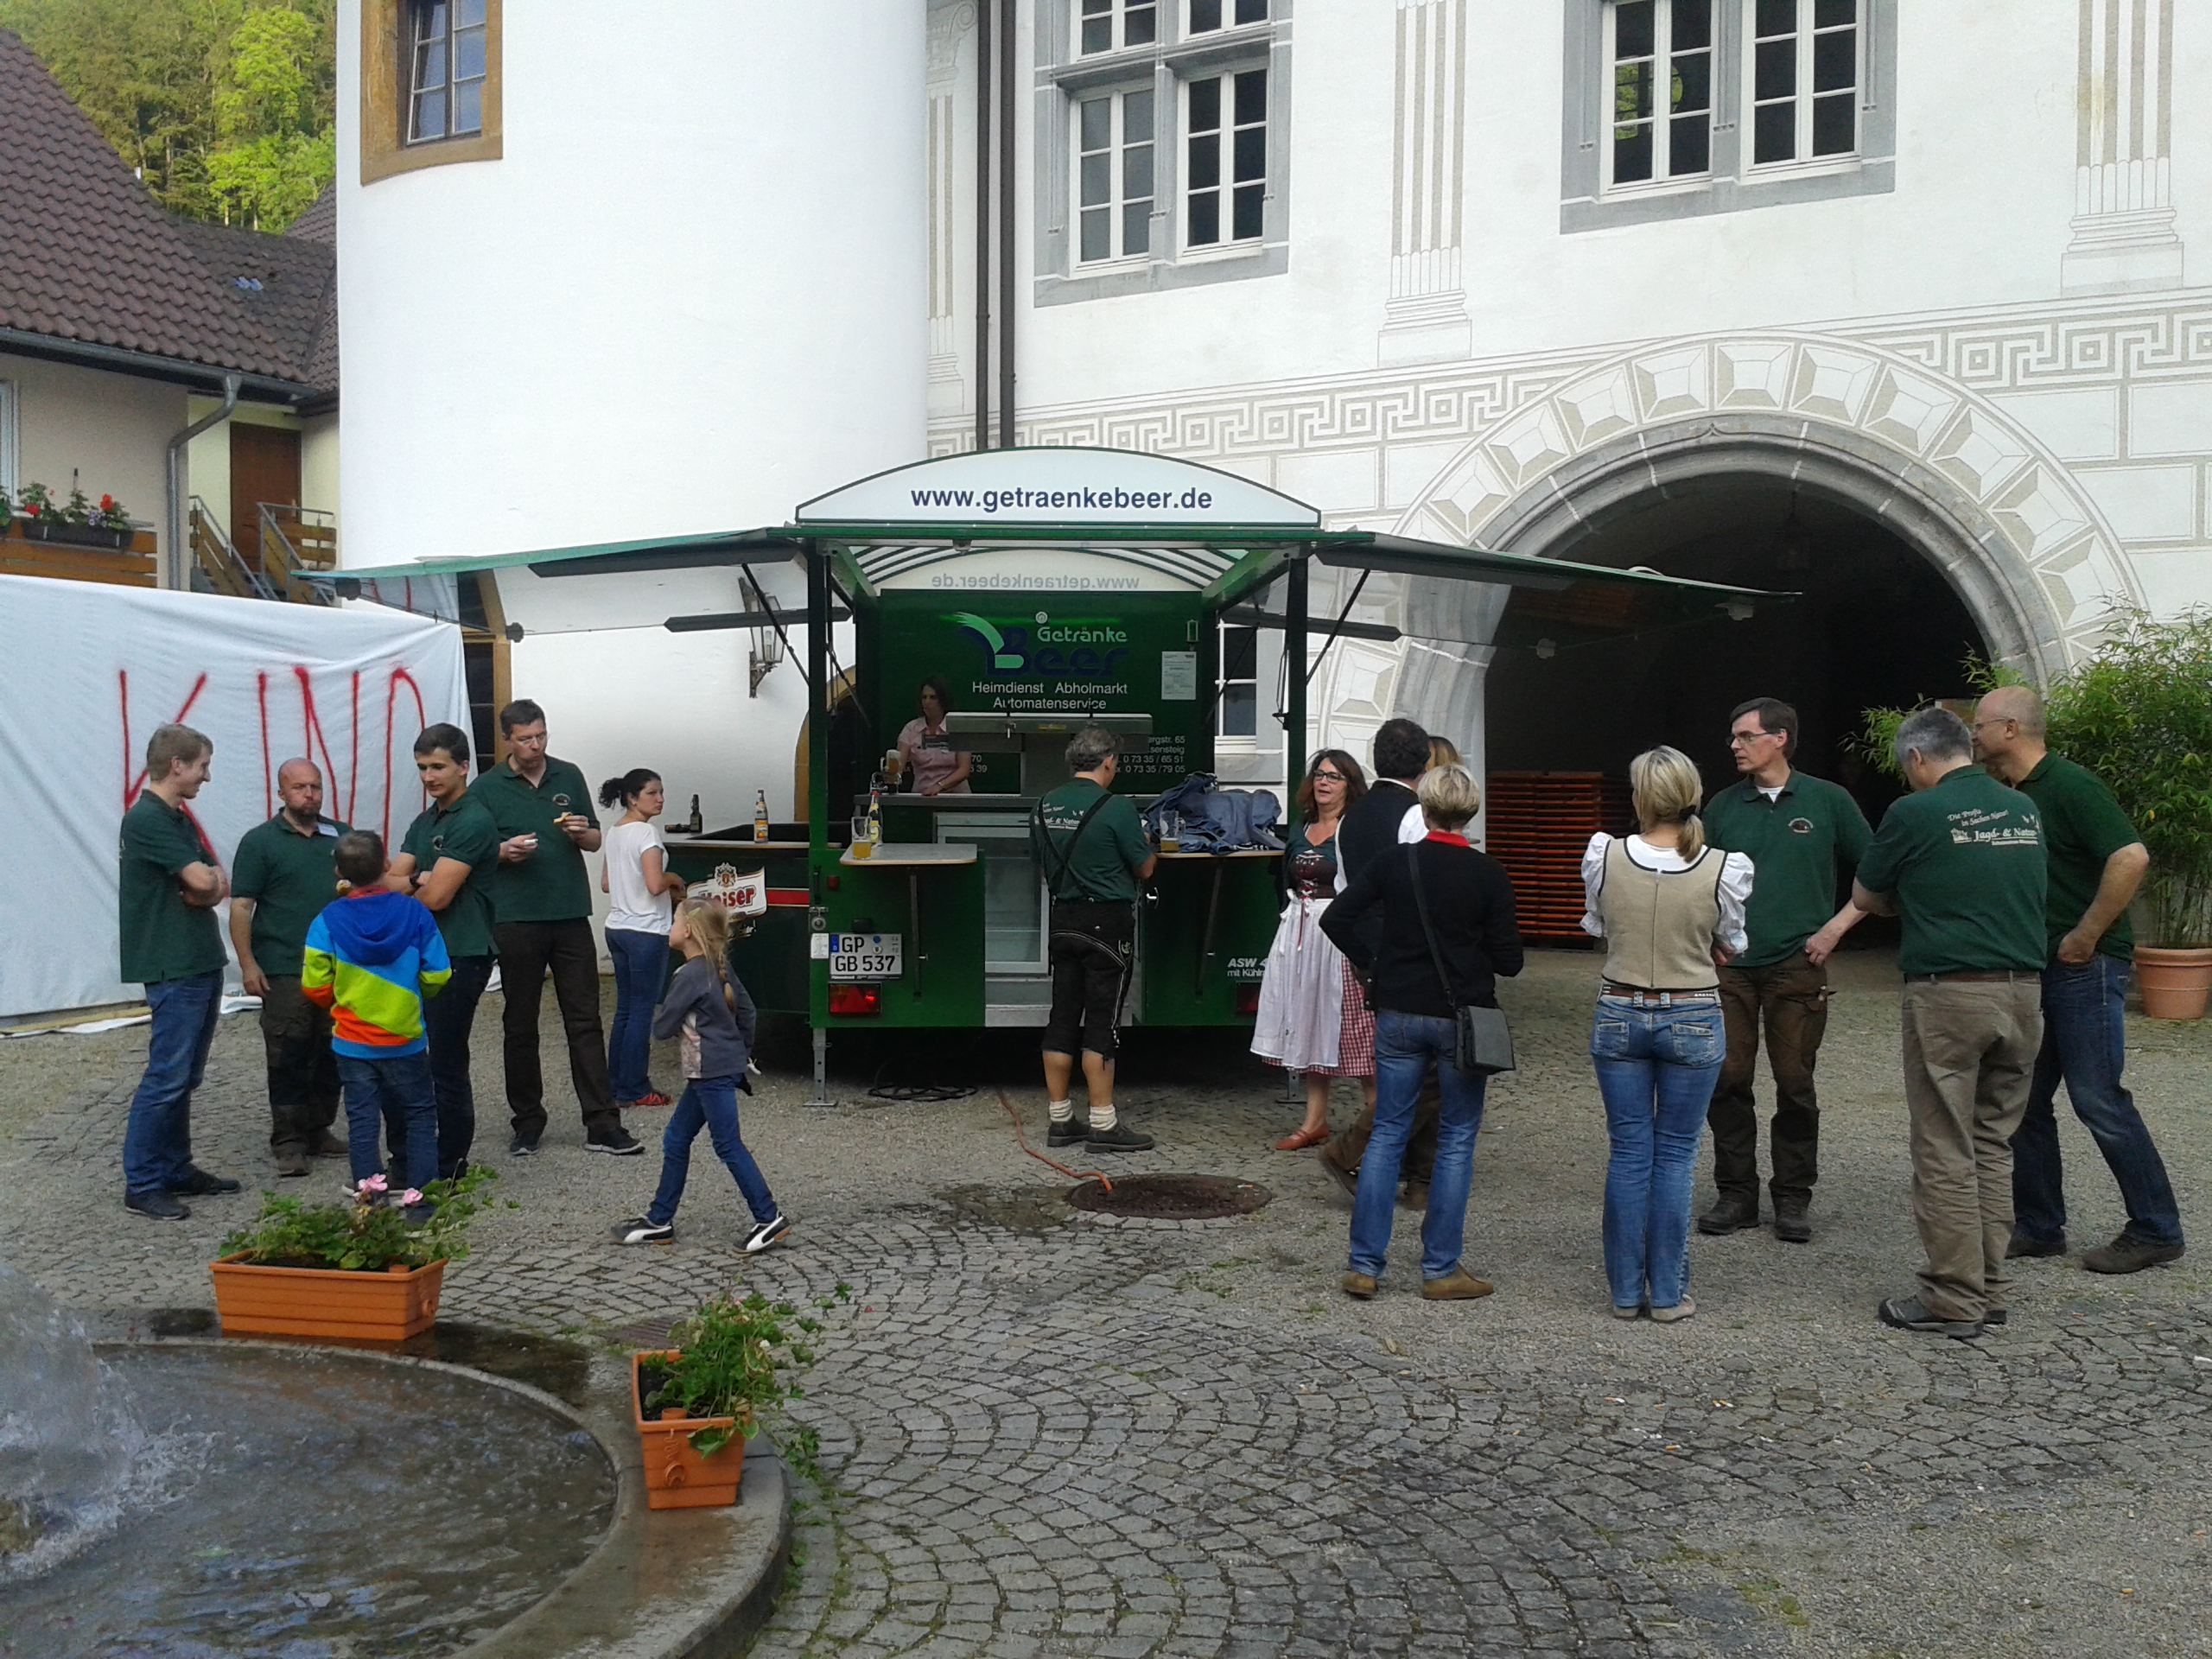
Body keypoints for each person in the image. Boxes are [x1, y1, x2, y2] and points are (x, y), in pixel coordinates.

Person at [1972, 684, 2183, 1274]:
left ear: (2011, 729)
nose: (1973, 734)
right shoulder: (2012, 794)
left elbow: (2130, 856)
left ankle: (2157, 1229)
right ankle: (2039, 1226)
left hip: (2084, 968)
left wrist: (2087, 934)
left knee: (2098, 1098)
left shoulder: (2071, 786)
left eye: (1981, 724)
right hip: (2041, 968)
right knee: (2026, 1101)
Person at [1853, 706, 2047, 1339]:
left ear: (1916, 758)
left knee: (1943, 1146)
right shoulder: (2023, 809)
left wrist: (1913, 895)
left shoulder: (1914, 812)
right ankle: (1990, 1287)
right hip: (2023, 992)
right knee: (1992, 1143)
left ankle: (1953, 1299)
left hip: (1950, 994)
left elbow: (1866, 896)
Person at [1320, 764, 1522, 1301]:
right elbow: (1510, 961)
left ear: (1424, 808)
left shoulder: (1395, 861)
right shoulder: (1488, 873)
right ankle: (1439, 1269)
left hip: (1399, 1011)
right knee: (1456, 1137)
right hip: (1461, 1017)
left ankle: (1364, 1264)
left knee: (1388, 1130)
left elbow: (1335, 919)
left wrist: (1376, 963)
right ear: (1470, 812)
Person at [1580, 747, 1754, 1323]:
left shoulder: (1605, 854)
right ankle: (1668, 1293)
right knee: (1675, 1155)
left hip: (1620, 1006)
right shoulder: (1723, 866)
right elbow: (1733, 941)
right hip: (1692, 1010)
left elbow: (1598, 925)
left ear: (1640, 798)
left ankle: (1626, 1291)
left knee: (1630, 1151)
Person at [1698, 697, 1874, 1243]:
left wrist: (1835, 929)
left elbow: (1878, 872)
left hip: (1798, 964)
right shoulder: (1722, 806)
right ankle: (1736, 1194)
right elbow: (1696, 876)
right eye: (1734, 736)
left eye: (1745, 736)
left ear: (1779, 738)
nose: (1734, 745)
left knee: (1795, 1084)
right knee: (1727, 1080)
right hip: (1731, 965)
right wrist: (1706, 936)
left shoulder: (1828, 800)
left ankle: (1793, 1197)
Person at [470, 699, 640, 1157]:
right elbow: (473, 851)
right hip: (515, 918)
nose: (536, 745)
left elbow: (596, 840)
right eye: (525, 739)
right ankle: (527, 1122)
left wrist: (582, 833)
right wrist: (502, 852)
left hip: (569, 914)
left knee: (585, 1020)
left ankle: (602, 1122)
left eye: (541, 735)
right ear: (507, 739)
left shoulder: (568, 775)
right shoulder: (486, 788)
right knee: (520, 1023)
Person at [612, 898, 790, 1250]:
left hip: (710, 1072)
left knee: (727, 1144)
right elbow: (748, 1011)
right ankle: (660, 1220)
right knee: (677, 1138)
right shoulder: (717, 967)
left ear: (689, 931)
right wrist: (739, 1051)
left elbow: (662, 1028)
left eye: (674, 921)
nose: (670, 927)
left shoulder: (689, 976)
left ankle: (768, 1217)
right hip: (714, 1071)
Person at [118, 722, 242, 1220]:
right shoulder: (149, 819)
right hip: (173, 962)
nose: (206, 777)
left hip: (197, 958)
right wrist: (205, 884)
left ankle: (174, 1166)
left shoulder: (176, 817)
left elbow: (217, 880)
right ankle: (143, 1181)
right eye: (202, 766)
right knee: (167, 1076)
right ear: (177, 765)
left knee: (186, 1075)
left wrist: (206, 885)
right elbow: (203, 880)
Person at [302, 831, 451, 1210]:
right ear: (386, 864)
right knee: (419, 1115)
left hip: (353, 1042)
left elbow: (314, 985)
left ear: (339, 872)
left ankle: (371, 1204)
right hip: (405, 1038)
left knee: (363, 1120)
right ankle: (421, 1203)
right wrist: (413, 996)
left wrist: (341, 1001)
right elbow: (438, 974)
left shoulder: (327, 920)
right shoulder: (415, 912)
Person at [1319, 717, 1435, 1199]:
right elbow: (1424, 887)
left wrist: (1363, 955)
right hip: (1410, 950)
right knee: (1426, 1068)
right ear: (1424, 762)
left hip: (1370, 951)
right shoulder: (1415, 815)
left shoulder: (1352, 817)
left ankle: (1416, 1174)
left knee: (1404, 1061)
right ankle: (1378, 1159)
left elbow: (1346, 888)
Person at [384, 723, 502, 1180]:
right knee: (405, 1056)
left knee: (446, 1062)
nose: (429, 777)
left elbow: (438, 899)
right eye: (422, 768)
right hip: (417, 951)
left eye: (437, 767)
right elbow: (387, 882)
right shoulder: (426, 821)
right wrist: (418, 878)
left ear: (463, 767)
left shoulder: (473, 819)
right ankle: (410, 1157)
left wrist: (413, 884)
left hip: (460, 951)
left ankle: (449, 1162)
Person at [1033, 725, 1157, 1153]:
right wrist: (1145, 845)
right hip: (1107, 922)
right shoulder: (1117, 807)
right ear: (1107, 762)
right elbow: (1145, 868)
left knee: (1062, 1018)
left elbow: (1041, 863)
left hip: (1062, 918)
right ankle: (1104, 1124)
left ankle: (1060, 1120)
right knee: (1102, 1023)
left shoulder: (1044, 805)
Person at [229, 759, 350, 1178]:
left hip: (338, 966)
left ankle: (319, 1128)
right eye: (299, 788)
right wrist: (248, 964)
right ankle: (289, 1141)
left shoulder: (342, 837)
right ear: (281, 793)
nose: (309, 795)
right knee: (289, 1053)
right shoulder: (260, 842)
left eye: (315, 786)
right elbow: (242, 907)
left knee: (332, 1051)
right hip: (285, 967)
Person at [1253, 751, 1376, 1149]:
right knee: (1309, 1021)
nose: (1324, 782)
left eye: (1334, 777)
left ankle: (1379, 1118)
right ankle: (1314, 1121)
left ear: (1350, 786)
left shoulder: (1354, 829)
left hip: (1339, 933)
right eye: (1320, 775)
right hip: (1301, 932)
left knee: (1356, 1026)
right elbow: (1284, 881)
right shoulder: (1301, 828)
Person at [600, 767, 688, 1109]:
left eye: (661, 792)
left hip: (617, 927)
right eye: (652, 793)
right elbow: (654, 885)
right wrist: (672, 878)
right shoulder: (647, 833)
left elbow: (607, 883)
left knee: (624, 1009)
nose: (660, 799)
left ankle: (614, 1083)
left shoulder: (615, 832)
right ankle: (635, 1087)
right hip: (646, 930)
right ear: (632, 798)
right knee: (641, 1011)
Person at [896, 676, 973, 797]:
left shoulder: (958, 728)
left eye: (933, 697)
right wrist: (892, 776)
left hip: (956, 797)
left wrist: (939, 787)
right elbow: (898, 766)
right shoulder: (911, 729)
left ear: (943, 700)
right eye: (924, 697)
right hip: (922, 796)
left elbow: (964, 769)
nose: (927, 702)